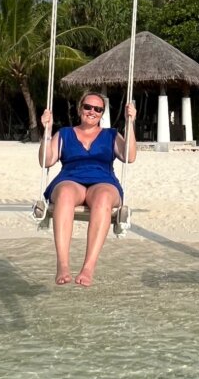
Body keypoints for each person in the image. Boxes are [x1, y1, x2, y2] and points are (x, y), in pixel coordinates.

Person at [39, 92, 136, 287]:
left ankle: (88, 267)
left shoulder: (110, 134)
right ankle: (63, 265)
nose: (92, 112)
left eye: (97, 109)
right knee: (64, 194)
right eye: (88, 107)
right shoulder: (65, 133)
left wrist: (130, 123)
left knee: (102, 198)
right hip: (70, 179)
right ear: (80, 108)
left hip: (103, 181)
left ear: (102, 113)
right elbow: (46, 161)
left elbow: (130, 156)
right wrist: (47, 132)